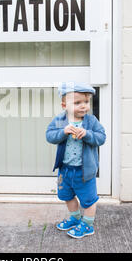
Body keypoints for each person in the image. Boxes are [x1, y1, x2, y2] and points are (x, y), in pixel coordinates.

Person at [45, 81, 106, 239]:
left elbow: (101, 137)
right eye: (77, 102)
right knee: (67, 195)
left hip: (84, 171)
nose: (83, 106)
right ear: (64, 105)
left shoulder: (91, 121)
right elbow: (49, 135)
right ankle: (75, 218)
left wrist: (87, 134)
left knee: (89, 199)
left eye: (86, 102)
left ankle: (87, 225)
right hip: (65, 170)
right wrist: (63, 132)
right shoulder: (60, 121)